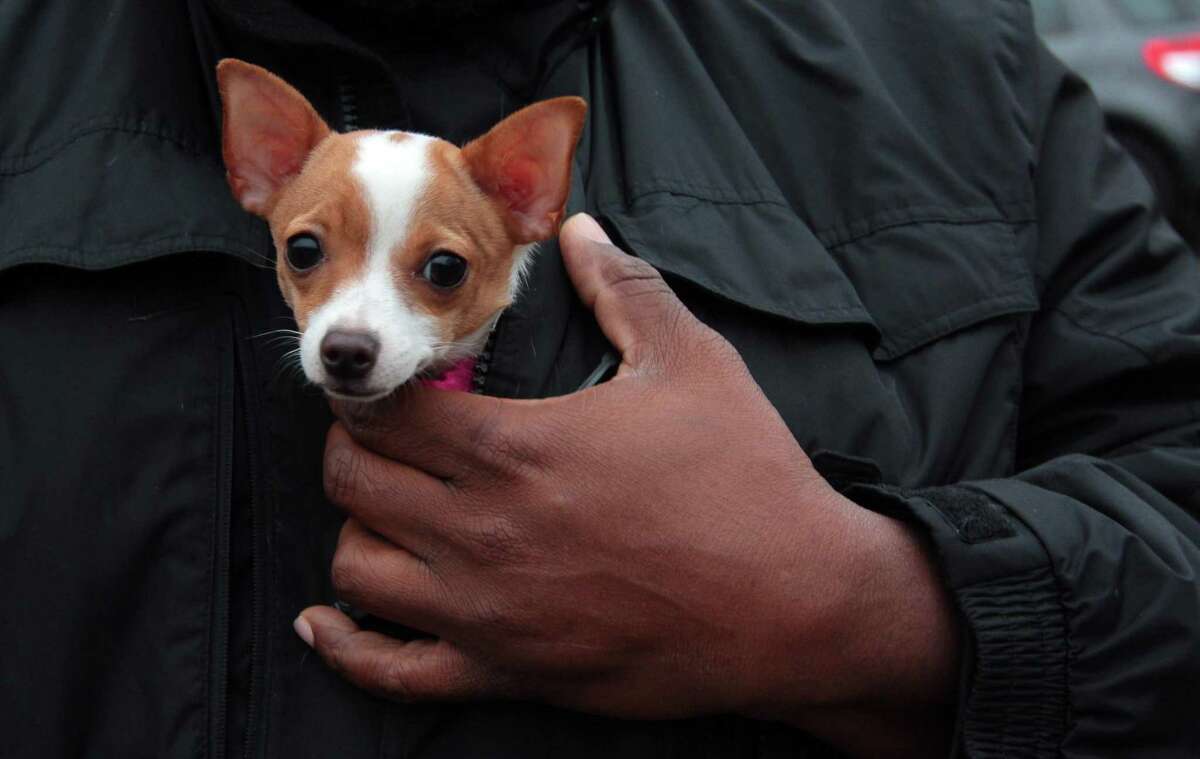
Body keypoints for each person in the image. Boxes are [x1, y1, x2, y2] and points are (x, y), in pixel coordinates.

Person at [2, 1, 1197, 757]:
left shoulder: (948, 69)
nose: (351, 326)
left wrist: (867, 611)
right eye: (308, 254)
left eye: (434, 271)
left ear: (530, 198)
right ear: (259, 165)